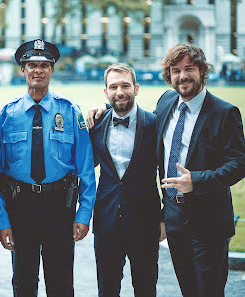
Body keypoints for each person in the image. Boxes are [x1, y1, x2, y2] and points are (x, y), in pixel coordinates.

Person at [87, 43, 245, 297]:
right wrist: (105, 108)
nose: (182, 76)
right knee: (188, 289)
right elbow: (132, 119)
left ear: (202, 71)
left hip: (209, 220)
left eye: (189, 69)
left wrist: (197, 180)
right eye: (176, 70)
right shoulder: (166, 102)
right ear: (169, 76)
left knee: (209, 291)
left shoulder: (224, 112)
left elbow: (239, 163)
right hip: (175, 219)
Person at [0, 39, 96, 297]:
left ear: (52, 70)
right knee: (23, 281)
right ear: (23, 70)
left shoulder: (70, 112)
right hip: (21, 205)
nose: (37, 70)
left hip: (59, 206)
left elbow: (85, 169)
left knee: (61, 281)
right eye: (31, 65)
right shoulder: (7, 114)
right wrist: (3, 219)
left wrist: (83, 215)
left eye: (44, 65)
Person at [89, 63, 162, 296]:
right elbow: (85, 164)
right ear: (106, 92)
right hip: (106, 220)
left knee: (145, 286)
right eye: (113, 87)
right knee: (107, 287)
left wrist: (164, 217)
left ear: (136, 88)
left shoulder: (154, 124)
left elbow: (167, 174)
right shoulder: (95, 123)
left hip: (145, 220)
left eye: (125, 86)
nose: (119, 92)